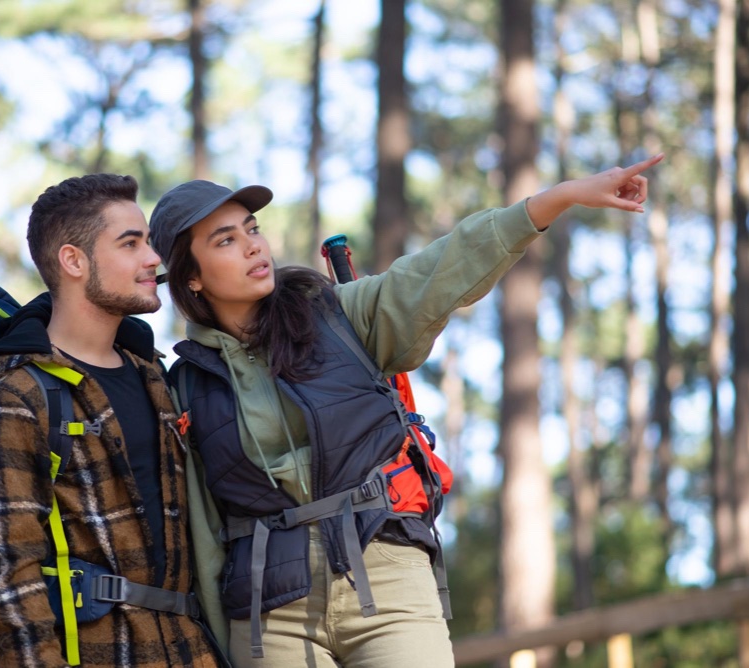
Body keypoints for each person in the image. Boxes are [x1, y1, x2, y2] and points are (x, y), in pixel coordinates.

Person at [148, 154, 664, 668]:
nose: (253, 245)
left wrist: (560, 197)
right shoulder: (185, 385)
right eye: (225, 240)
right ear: (191, 278)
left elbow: (442, 267)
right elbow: (203, 534)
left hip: (385, 572)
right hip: (268, 612)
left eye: (251, 229)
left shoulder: (339, 315)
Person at [0, 173, 226, 667]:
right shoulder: (14, 398)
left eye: (148, 242)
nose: (153, 259)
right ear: (73, 261)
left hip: (193, 651)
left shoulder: (157, 378)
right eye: (130, 243)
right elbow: (6, 579)